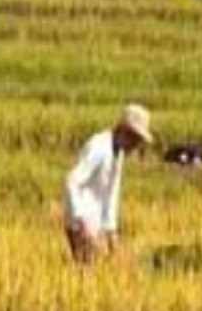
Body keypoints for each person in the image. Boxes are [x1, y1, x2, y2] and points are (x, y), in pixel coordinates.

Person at [64, 104, 153, 264]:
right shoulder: (99, 146)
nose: (136, 146)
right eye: (135, 139)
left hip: (96, 226)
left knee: (106, 270)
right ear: (125, 131)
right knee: (93, 270)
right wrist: (81, 220)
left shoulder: (118, 154)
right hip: (82, 225)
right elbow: (72, 180)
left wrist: (112, 233)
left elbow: (111, 196)